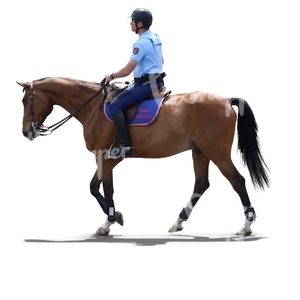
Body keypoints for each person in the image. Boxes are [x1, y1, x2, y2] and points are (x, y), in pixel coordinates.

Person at [105, 8, 165, 159]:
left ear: (139, 24)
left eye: (132, 21)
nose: (130, 23)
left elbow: (127, 70)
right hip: (157, 81)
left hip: (146, 84)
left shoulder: (141, 43)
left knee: (115, 105)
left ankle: (125, 146)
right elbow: (162, 60)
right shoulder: (156, 38)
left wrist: (111, 76)